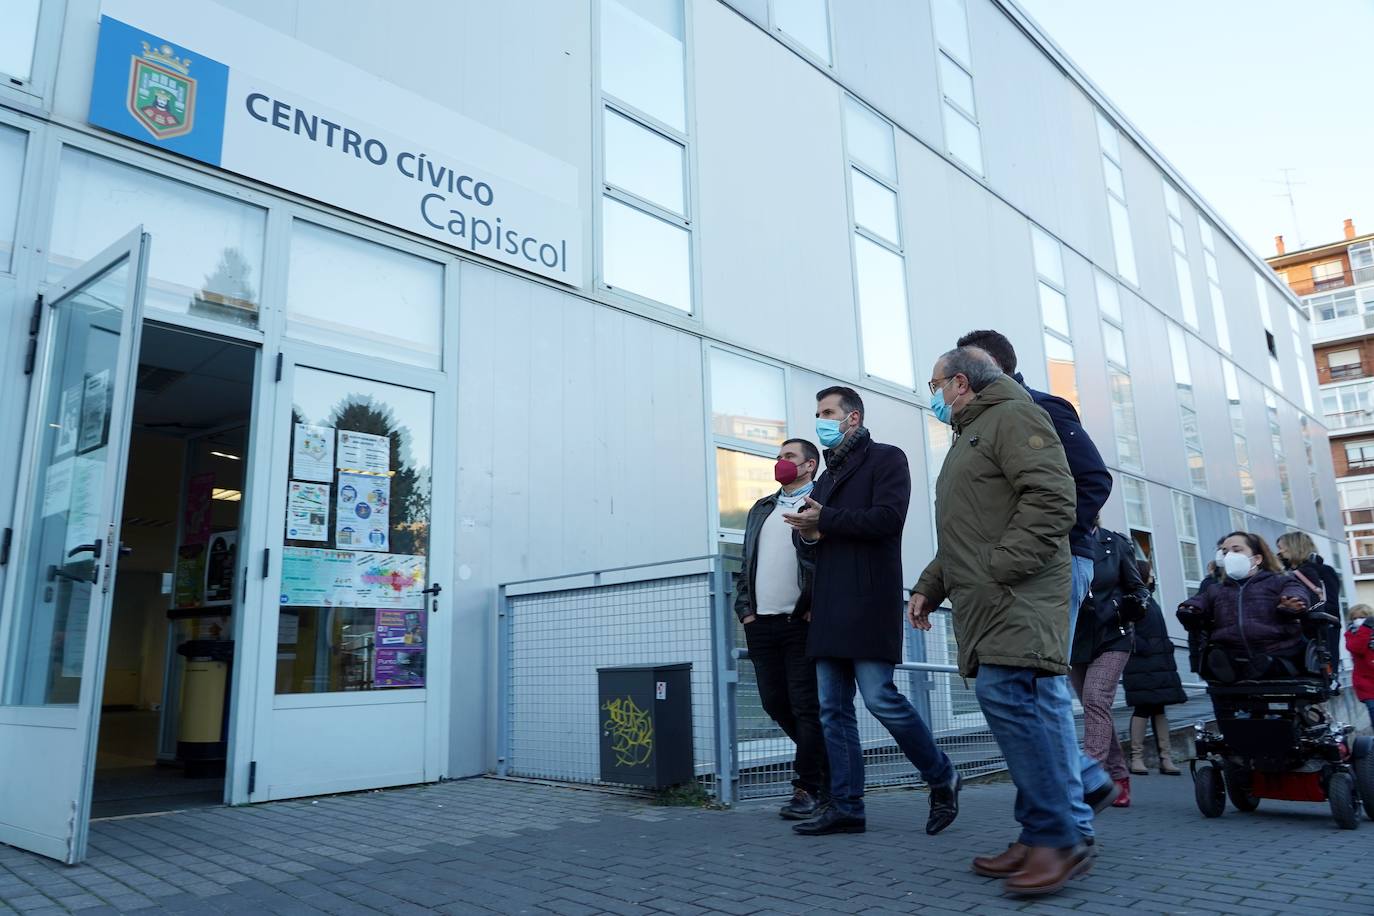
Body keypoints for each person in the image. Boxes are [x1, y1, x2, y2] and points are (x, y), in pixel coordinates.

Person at [909, 347, 1090, 896]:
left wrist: (1001, 567)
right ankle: (1039, 833)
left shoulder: (1013, 416)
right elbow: (967, 532)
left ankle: (1057, 837)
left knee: (1006, 695)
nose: (934, 396)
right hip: (994, 595)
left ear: (960, 383)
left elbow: (1054, 499)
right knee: (1009, 699)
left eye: (936, 385)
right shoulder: (971, 434)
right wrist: (930, 585)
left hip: (1018, 592)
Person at [955, 330, 1118, 836]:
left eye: (967, 368)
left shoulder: (1040, 407)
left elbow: (1091, 481)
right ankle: (1070, 801)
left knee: (1037, 686)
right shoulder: (980, 423)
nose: (957, 382)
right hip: (1021, 566)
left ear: (994, 365)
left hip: (1053, 564)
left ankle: (1068, 826)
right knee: (1031, 687)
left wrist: (1038, 547)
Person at [782, 385, 960, 837]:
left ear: (853, 418)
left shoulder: (887, 458)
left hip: (866, 600)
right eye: (817, 412)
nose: (820, 420)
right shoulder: (826, 478)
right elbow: (817, 541)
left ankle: (942, 775)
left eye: (827, 412)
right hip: (828, 604)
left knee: (880, 698)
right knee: (832, 709)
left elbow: (888, 519)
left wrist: (824, 521)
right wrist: (807, 534)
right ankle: (846, 807)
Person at [732, 438, 829, 821]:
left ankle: (807, 787)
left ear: (809, 465)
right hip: (761, 624)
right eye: (778, 456)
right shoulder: (762, 508)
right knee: (774, 703)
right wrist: (745, 612)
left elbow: (829, 560)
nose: (781, 462)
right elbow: (746, 562)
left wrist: (816, 607)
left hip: (800, 623)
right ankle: (827, 771)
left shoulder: (821, 504)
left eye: (789, 456)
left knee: (806, 706)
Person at [1071, 522, 1148, 806]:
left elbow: (1139, 589)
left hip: (1113, 635)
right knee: (1096, 709)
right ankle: (1119, 777)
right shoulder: (1059, 542)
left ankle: (1090, 780)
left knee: (1095, 699)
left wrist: (1120, 608)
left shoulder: (1115, 543)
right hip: (1075, 640)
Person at [1177, 531, 1309, 681]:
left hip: (1276, 649)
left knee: (1271, 662)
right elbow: (1198, 601)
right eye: (1225, 552)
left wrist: (1292, 602)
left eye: (1237, 550)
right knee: (1221, 655)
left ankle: (1265, 666)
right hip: (1233, 653)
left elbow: (1297, 591)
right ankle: (1226, 668)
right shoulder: (1216, 589)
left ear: (1257, 558)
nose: (1229, 556)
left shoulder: (1279, 581)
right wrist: (1189, 609)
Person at [1122, 558, 1185, 777]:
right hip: (1142, 664)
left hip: (1157, 664)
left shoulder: (1149, 598)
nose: (1153, 575)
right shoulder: (1134, 598)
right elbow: (1128, 631)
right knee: (1143, 708)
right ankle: (1136, 758)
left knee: (1159, 709)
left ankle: (1165, 758)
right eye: (1150, 572)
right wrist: (1147, 647)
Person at [1276, 531, 1343, 669]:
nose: (1279, 552)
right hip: (1297, 636)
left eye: (1281, 548)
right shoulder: (1284, 575)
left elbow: (1330, 606)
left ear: (1294, 547)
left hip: (1318, 636)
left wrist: (1301, 612)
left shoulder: (1323, 571)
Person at [1345, 604, 1374, 725]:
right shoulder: (1350, 634)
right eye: (1355, 618)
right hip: (1365, 683)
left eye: (1362, 617)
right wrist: (1366, 628)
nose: (1358, 620)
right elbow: (1357, 648)